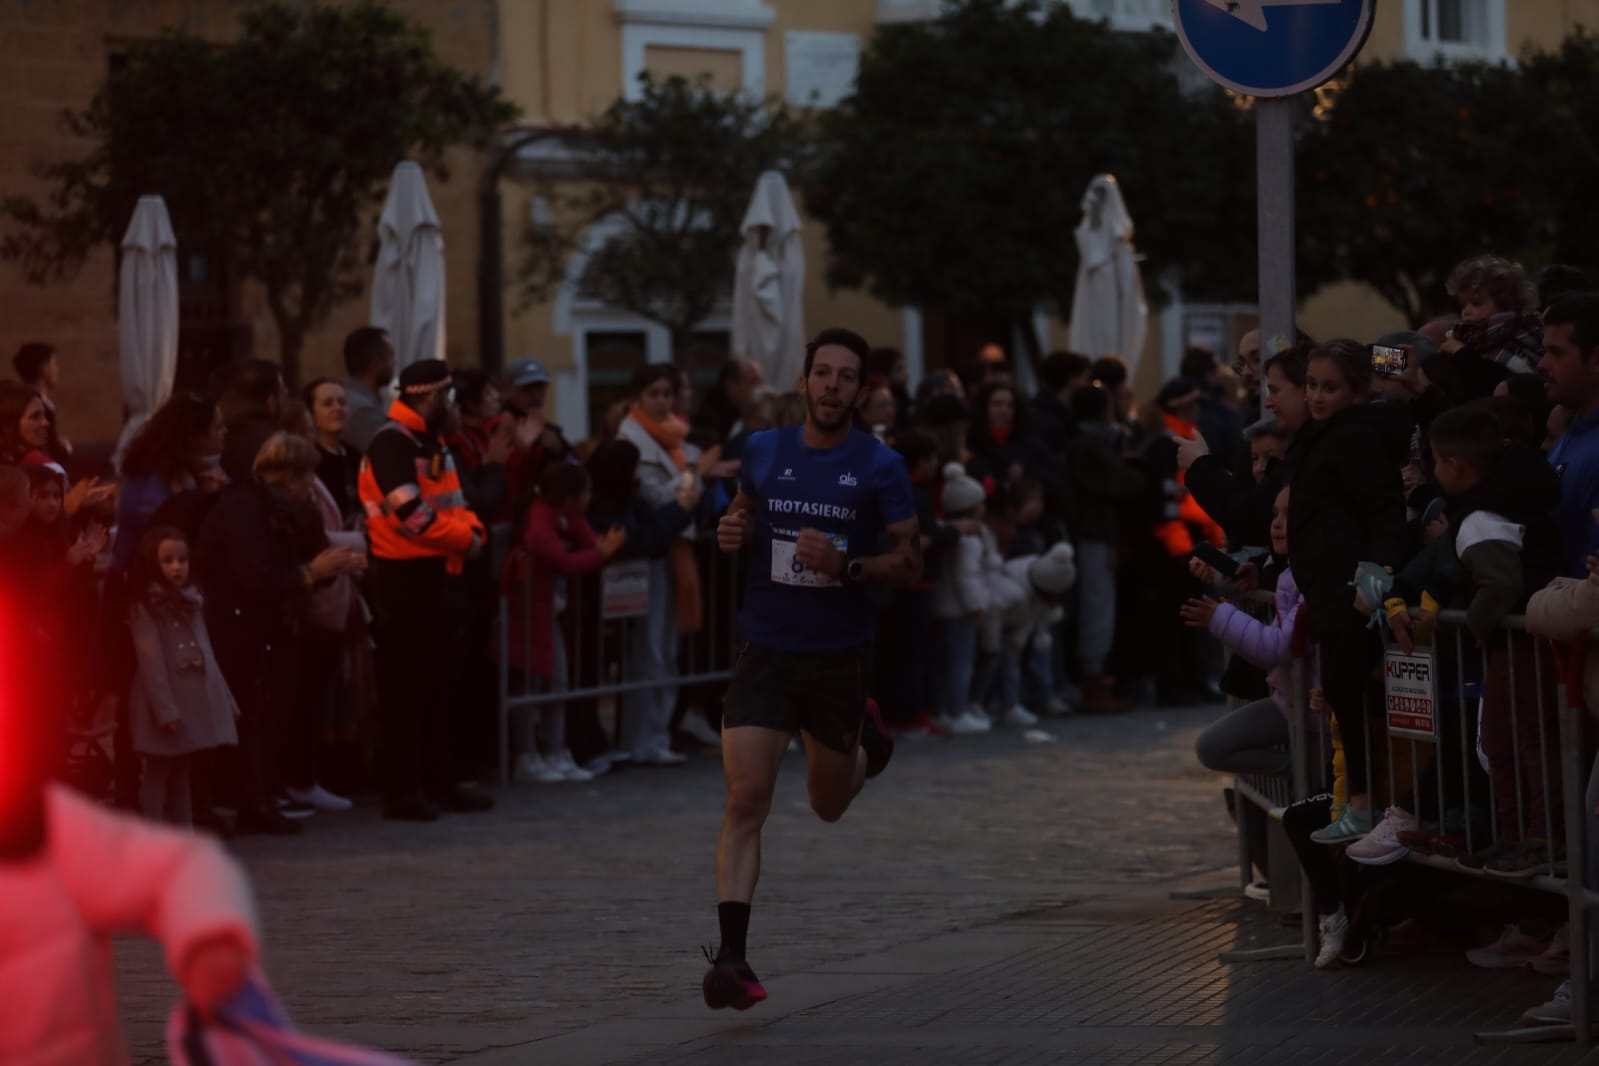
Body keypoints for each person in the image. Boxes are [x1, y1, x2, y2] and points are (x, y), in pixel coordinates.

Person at [706, 327, 920, 1011]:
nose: (831, 386)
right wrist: (731, 529)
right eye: (821, 373)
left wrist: (846, 566)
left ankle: (864, 748)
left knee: (827, 805)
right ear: (803, 383)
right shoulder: (764, 450)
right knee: (746, 799)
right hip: (765, 648)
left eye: (845, 376)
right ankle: (731, 959)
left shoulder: (880, 465)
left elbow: (911, 561)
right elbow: (741, 511)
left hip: (836, 657)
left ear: (861, 390)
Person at [196, 433, 363, 835]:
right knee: (253, 715)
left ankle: (263, 797)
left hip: (274, 625)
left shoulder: (289, 510)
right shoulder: (245, 509)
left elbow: (307, 557)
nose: (312, 488)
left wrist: (325, 565)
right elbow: (257, 576)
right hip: (241, 625)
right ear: (288, 478)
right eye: (307, 478)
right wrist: (312, 572)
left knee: (273, 714)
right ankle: (250, 801)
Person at [359, 359, 494, 821]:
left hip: (438, 575)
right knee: (406, 690)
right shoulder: (391, 443)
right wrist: (465, 540)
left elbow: (456, 503)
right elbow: (411, 515)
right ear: (434, 397)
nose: (455, 408)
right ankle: (403, 791)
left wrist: (473, 532)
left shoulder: (429, 442)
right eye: (450, 398)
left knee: (438, 686)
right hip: (403, 580)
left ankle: (440, 781)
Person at [1290, 340, 1408, 844]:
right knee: (1340, 692)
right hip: (1328, 588)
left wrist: (1377, 569)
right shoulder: (1323, 435)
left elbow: (1383, 507)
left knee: (1346, 690)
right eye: (1311, 385)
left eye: (1329, 387)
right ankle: (1355, 803)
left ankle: (1364, 805)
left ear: (1356, 391)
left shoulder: (1355, 437)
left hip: (1349, 590)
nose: (1316, 396)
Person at [503, 461, 626, 783]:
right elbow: (565, 561)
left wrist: (599, 548)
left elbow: (586, 540)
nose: (589, 497)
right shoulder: (539, 522)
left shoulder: (563, 514)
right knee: (530, 684)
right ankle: (527, 755)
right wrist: (602, 553)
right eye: (585, 492)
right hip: (527, 610)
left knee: (557, 681)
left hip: (548, 609)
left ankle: (556, 750)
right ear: (569, 496)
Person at [126, 526, 240, 828]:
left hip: (189, 698)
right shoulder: (146, 607)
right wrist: (165, 711)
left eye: (182, 559)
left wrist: (223, 699)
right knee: (158, 770)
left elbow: (206, 651)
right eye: (167, 560)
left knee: (181, 771)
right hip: (162, 702)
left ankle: (182, 832)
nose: (177, 567)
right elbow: (151, 662)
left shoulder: (192, 602)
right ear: (153, 564)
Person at [1067, 384, 1145, 712]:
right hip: (1093, 535)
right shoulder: (1090, 447)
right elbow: (1127, 482)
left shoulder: (1088, 443)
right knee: (1097, 611)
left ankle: (1095, 680)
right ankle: (1092, 684)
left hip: (1095, 535)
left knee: (1098, 609)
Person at [302, 378, 362, 525]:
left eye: (342, 402)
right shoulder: (308, 459)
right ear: (311, 412)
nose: (338, 408)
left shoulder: (355, 455)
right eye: (328, 403)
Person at [11, 341, 70, 462]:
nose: (57, 370)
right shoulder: (33, 404)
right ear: (44, 368)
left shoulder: (27, 400)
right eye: (54, 364)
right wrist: (63, 448)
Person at [340, 326, 396, 452]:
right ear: (374, 362)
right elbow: (387, 452)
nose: (394, 362)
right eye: (390, 355)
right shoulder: (362, 410)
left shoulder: (360, 399)